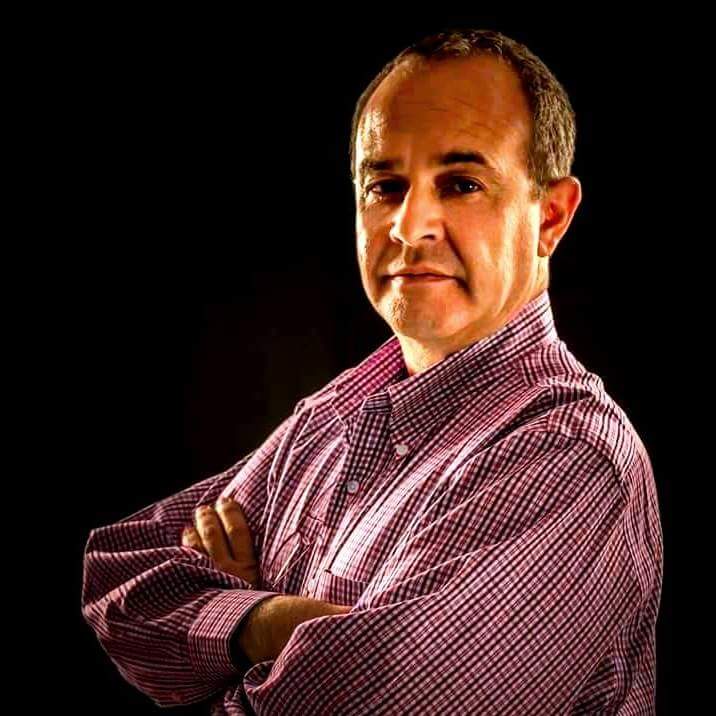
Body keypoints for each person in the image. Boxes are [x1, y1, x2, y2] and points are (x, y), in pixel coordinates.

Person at [81, 28, 663, 714]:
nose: (410, 226)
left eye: (462, 183)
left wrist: (214, 640)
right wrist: (264, 621)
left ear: (551, 217)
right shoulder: (333, 417)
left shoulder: (569, 457)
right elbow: (116, 577)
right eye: (385, 186)